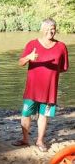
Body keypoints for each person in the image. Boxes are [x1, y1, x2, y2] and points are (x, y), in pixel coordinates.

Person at [12, 18, 68, 152]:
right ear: (42, 30)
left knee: (44, 115)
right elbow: (20, 63)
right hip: (32, 89)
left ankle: (40, 141)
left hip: (50, 90)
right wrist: (28, 58)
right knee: (26, 114)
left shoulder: (61, 47)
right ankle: (25, 139)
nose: (51, 31)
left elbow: (64, 67)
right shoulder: (32, 44)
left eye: (53, 28)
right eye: (48, 29)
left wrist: (50, 74)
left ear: (56, 29)